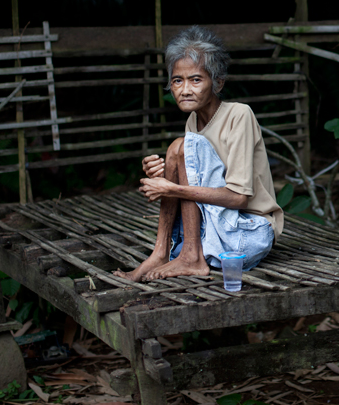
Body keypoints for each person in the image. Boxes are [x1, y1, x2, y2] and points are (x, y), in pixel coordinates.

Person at [117, 26, 283, 281]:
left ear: (218, 82)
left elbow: (239, 198)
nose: (185, 90)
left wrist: (171, 188)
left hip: (248, 233)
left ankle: (192, 256)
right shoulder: (193, 122)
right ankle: (161, 252)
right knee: (177, 149)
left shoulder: (239, 115)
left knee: (178, 147)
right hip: (215, 230)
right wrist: (163, 173)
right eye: (177, 80)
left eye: (196, 79)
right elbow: (201, 176)